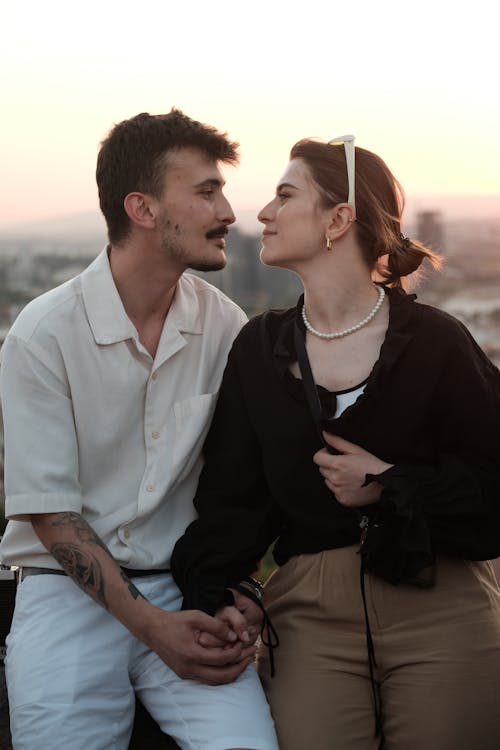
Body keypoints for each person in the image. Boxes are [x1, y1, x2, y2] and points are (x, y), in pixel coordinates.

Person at [171, 134, 500, 750]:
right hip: (309, 617)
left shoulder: (438, 342)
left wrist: (390, 483)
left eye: (284, 194)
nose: (262, 213)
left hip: (443, 605)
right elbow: (232, 501)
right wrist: (227, 590)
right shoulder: (257, 350)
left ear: (339, 219)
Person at [0, 108, 279, 750]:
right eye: (207, 191)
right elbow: (51, 514)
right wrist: (152, 627)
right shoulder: (45, 334)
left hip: (188, 591)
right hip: (63, 596)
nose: (230, 211)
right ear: (144, 209)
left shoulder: (228, 327)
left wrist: (242, 591)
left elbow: (241, 487)